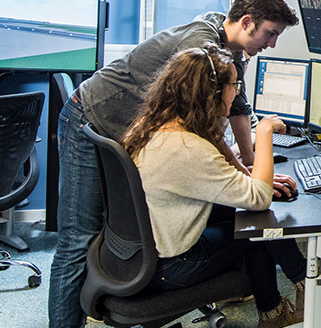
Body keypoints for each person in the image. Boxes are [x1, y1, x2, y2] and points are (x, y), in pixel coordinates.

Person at [49, 0, 301, 328]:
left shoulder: (226, 44)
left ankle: (292, 294)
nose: (271, 44)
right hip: (92, 115)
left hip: (132, 131)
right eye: (270, 34)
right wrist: (250, 174)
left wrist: (247, 165)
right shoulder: (199, 51)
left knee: (238, 216)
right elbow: (207, 131)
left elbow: (237, 108)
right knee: (77, 240)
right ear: (246, 22)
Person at [122, 45, 301, 327]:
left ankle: (288, 298)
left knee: (244, 217)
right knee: (256, 230)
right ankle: (285, 303)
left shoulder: (157, 123)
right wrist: (263, 131)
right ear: (212, 93)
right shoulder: (186, 149)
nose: (238, 93)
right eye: (234, 85)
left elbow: (217, 152)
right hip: (172, 265)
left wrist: (246, 172)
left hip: (144, 250)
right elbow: (260, 198)